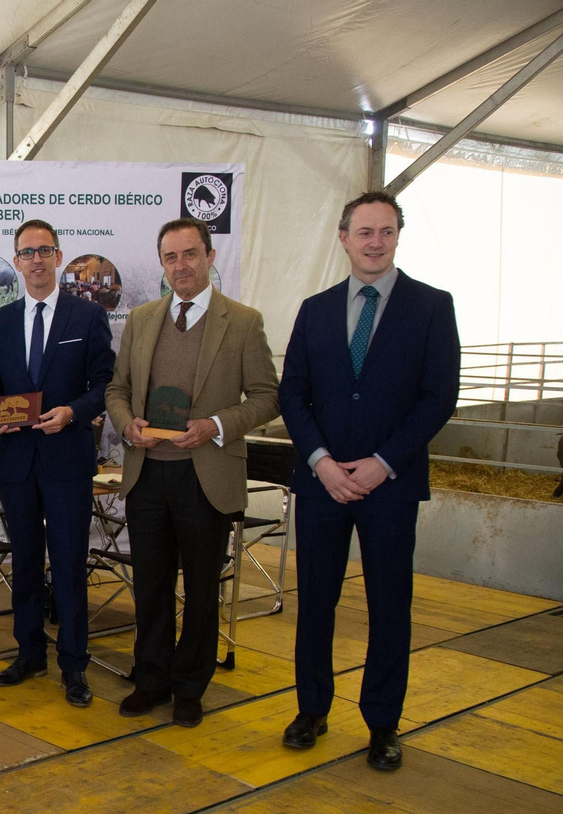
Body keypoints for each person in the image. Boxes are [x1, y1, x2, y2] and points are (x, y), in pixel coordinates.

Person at [278, 191, 460, 771]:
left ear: (398, 236)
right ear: (344, 238)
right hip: (323, 484)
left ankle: (383, 724)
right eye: (364, 232)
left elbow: (439, 397)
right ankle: (312, 709)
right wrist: (321, 462)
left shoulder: (432, 307)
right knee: (317, 603)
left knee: (389, 604)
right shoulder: (316, 309)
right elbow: (292, 394)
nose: (375, 242)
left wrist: (384, 461)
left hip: (391, 484)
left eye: (385, 231)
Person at [105, 218, 279, 727]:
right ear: (162, 264)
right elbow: (117, 389)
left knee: (202, 587)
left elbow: (269, 396)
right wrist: (126, 423)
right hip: (147, 474)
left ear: (209, 257)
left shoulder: (242, 322)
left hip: (206, 476)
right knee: (151, 584)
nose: (181, 266)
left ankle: (190, 686)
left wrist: (218, 425)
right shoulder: (141, 319)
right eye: (170, 257)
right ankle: (152, 678)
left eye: (189, 255)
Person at [0, 219, 116, 707]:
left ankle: (74, 666)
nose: (36, 260)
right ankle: (29, 652)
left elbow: (104, 384)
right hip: (16, 461)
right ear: (15, 262)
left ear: (59, 257)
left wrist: (74, 411)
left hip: (67, 460)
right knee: (27, 562)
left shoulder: (87, 316)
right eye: (27, 253)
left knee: (71, 565)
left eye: (45, 251)